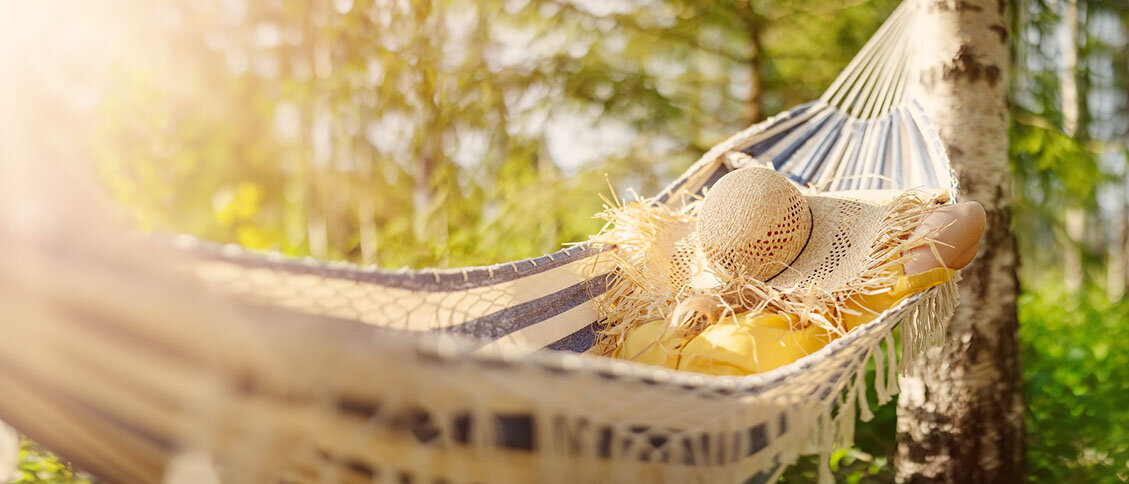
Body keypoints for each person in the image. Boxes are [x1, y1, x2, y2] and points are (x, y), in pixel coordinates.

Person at [613, 172, 986, 376]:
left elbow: (967, 218)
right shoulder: (840, 302)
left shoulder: (648, 321)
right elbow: (966, 217)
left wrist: (746, 295)